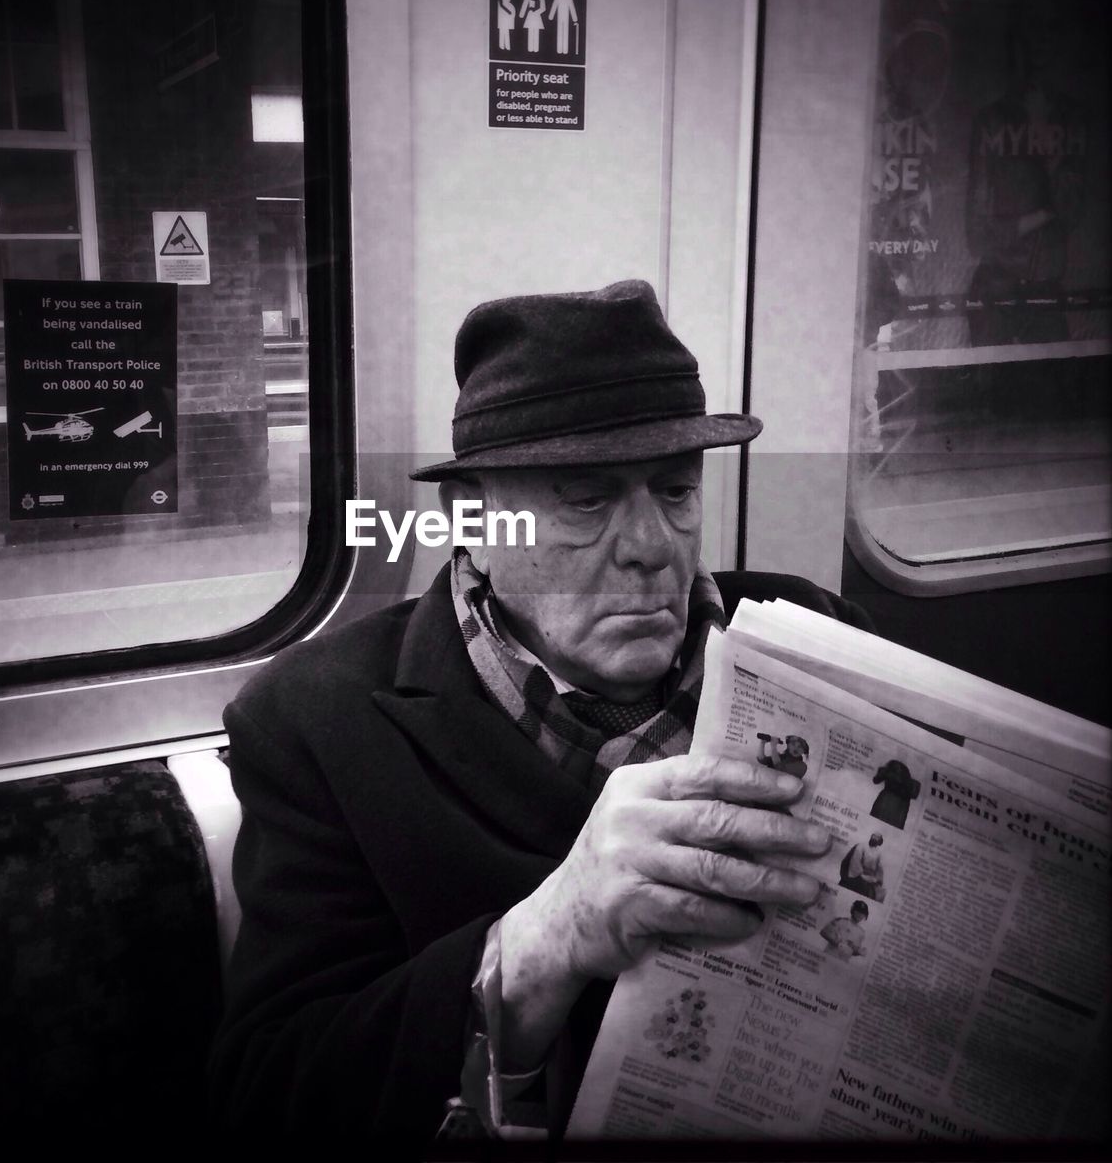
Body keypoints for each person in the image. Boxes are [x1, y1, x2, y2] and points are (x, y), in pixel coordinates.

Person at [210, 279, 873, 1142]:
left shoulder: (818, 643)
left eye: (675, 490)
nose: (650, 549)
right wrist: (547, 937)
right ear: (476, 524)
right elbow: (270, 1100)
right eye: (587, 500)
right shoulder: (316, 721)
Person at [839, 833, 886, 902]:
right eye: (873, 836)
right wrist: (862, 875)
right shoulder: (861, 846)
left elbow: (879, 869)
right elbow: (855, 861)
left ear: (879, 841)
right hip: (855, 876)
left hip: (869, 880)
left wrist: (877, 879)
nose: (874, 839)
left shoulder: (878, 853)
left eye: (877, 838)